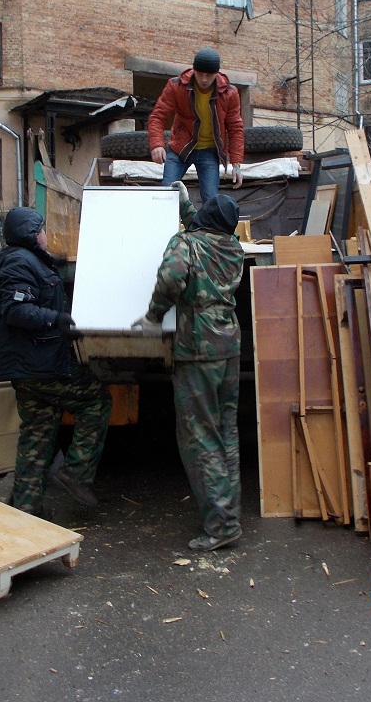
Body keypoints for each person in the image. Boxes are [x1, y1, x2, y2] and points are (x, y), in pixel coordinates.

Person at [134, 183, 246, 551]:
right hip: (228, 345)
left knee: (200, 437)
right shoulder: (233, 247)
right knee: (225, 431)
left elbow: (170, 278)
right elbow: (202, 229)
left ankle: (220, 525)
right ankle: (230, 515)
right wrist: (185, 204)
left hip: (197, 346)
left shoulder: (185, 244)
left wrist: (153, 317)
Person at [0, 207, 111, 518]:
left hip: (29, 366)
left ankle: (27, 511)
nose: (45, 235)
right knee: (96, 400)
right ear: (31, 234)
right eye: (41, 230)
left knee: (37, 434)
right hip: (38, 364)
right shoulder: (18, 261)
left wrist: (51, 264)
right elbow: (16, 311)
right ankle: (76, 472)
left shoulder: (23, 259)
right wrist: (57, 320)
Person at [147, 47, 246, 203]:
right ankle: (167, 226)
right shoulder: (176, 86)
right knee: (166, 194)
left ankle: (206, 228)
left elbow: (235, 129)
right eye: (200, 74)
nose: (204, 79)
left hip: (209, 152)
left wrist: (236, 164)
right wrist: (157, 145)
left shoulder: (229, 93)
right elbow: (157, 117)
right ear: (194, 70)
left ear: (217, 74)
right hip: (180, 149)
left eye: (209, 75)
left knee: (211, 201)